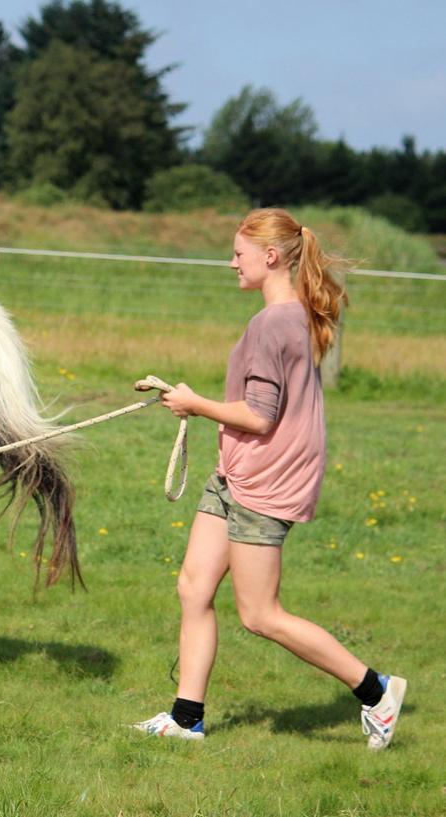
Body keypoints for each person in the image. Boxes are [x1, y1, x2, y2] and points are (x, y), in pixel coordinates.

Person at [132, 208, 405, 749]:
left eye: (239, 254)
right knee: (194, 587)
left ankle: (375, 691)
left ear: (271, 257)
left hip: (266, 483)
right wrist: (201, 407)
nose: (231, 262)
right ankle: (187, 719)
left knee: (260, 614)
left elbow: (261, 415)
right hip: (236, 473)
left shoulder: (272, 322)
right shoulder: (291, 315)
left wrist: (194, 403)